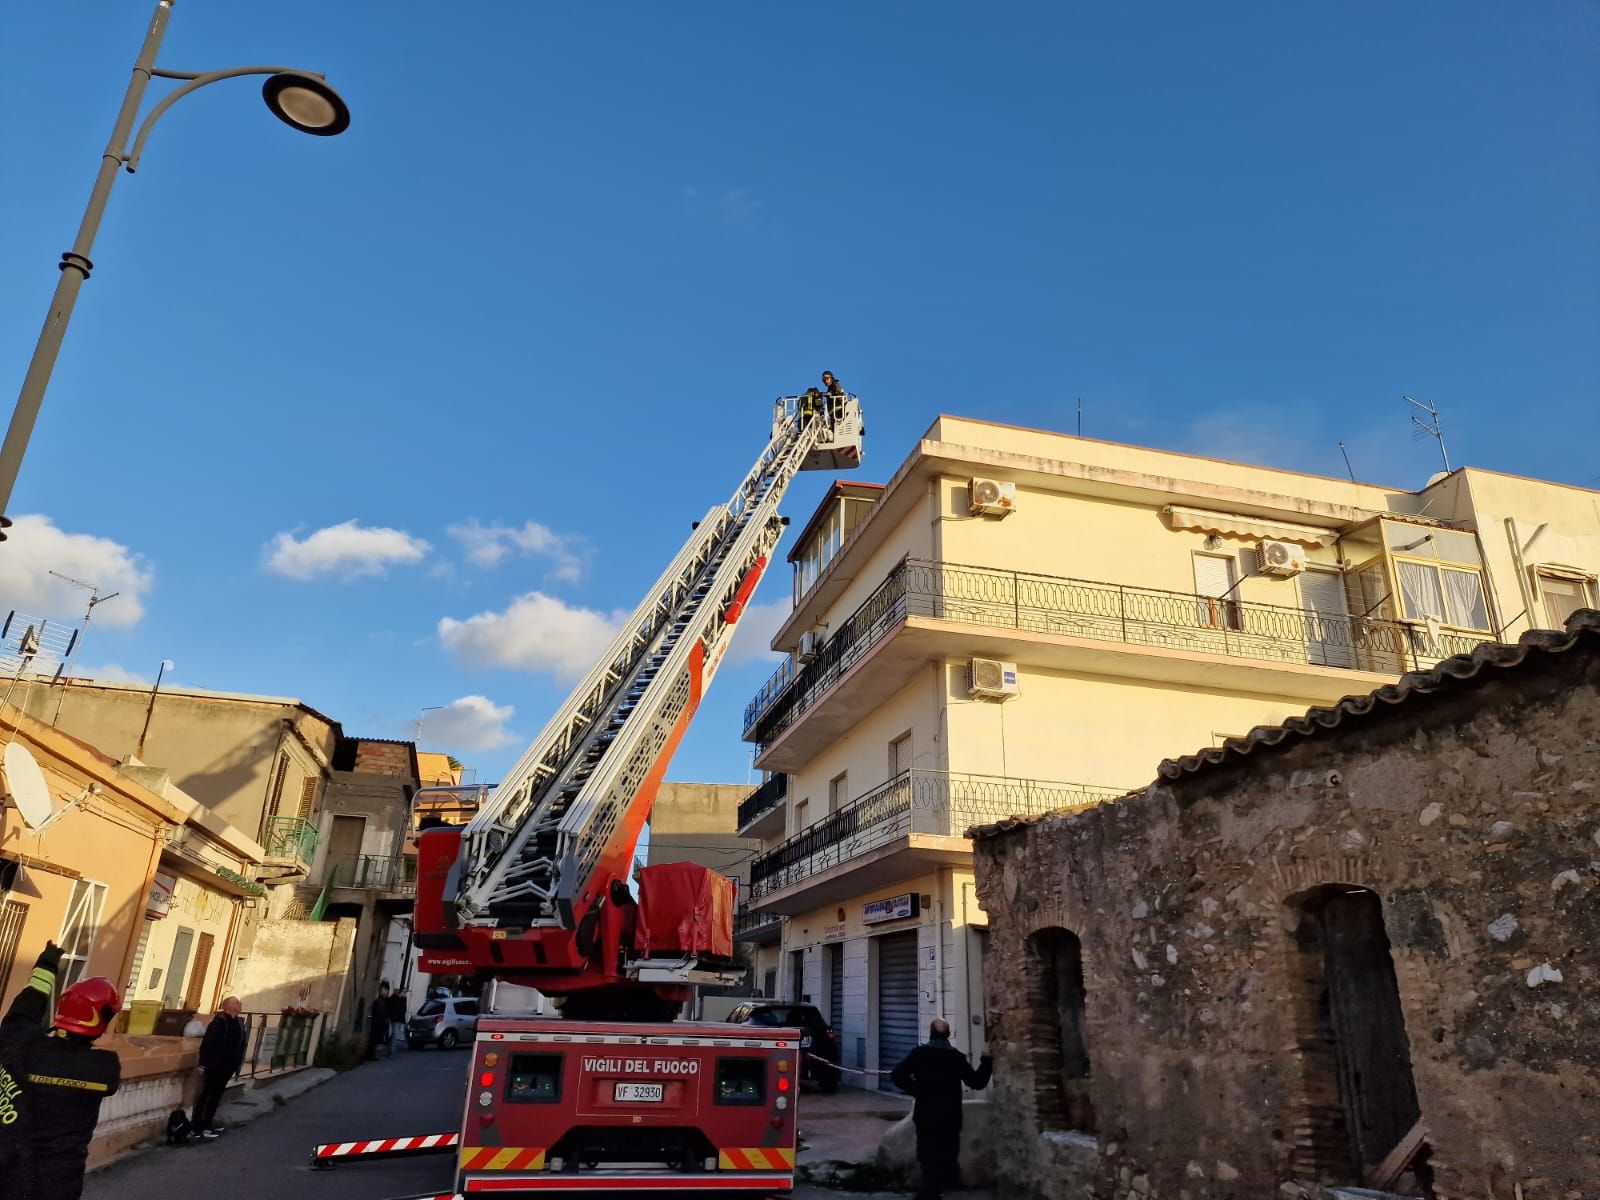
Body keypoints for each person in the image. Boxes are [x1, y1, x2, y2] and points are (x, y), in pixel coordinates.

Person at [0, 941, 122, 1200]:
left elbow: (26, 1007)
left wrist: (46, 964)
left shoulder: (16, 1041)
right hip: (55, 1183)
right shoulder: (102, 1069)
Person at [889, 1018, 993, 1200]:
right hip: (950, 1115)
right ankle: (942, 1187)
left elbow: (898, 1075)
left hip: (926, 1112)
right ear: (949, 1034)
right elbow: (977, 1082)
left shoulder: (919, 1054)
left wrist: (916, 1090)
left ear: (930, 1033)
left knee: (927, 1153)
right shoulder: (957, 1058)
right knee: (947, 1152)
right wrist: (986, 1060)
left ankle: (930, 1191)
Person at [191, 996, 247, 1140]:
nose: (240, 1004)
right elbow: (208, 1043)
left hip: (228, 1066)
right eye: (236, 1003)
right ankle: (198, 1126)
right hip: (216, 1065)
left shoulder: (238, 1023)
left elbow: (240, 1044)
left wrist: (237, 1063)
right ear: (228, 1006)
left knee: (216, 1096)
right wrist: (204, 1063)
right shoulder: (219, 1022)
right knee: (208, 1094)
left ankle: (208, 1123)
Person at [366, 984, 391, 1060]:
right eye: (384, 990)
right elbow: (378, 1012)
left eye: (386, 990)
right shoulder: (378, 1001)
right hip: (377, 1022)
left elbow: (387, 1009)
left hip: (380, 1022)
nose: (385, 992)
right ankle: (372, 1055)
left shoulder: (385, 1001)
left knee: (377, 1039)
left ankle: (374, 1054)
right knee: (374, 1039)